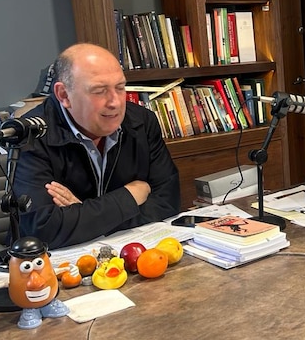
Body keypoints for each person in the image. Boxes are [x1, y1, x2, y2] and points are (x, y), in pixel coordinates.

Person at [12, 43, 181, 249]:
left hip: (133, 254)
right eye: (99, 91)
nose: (115, 102)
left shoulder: (142, 122)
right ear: (64, 95)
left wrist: (86, 215)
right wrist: (129, 197)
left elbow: (168, 203)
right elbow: (44, 229)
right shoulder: (31, 134)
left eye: (120, 88)